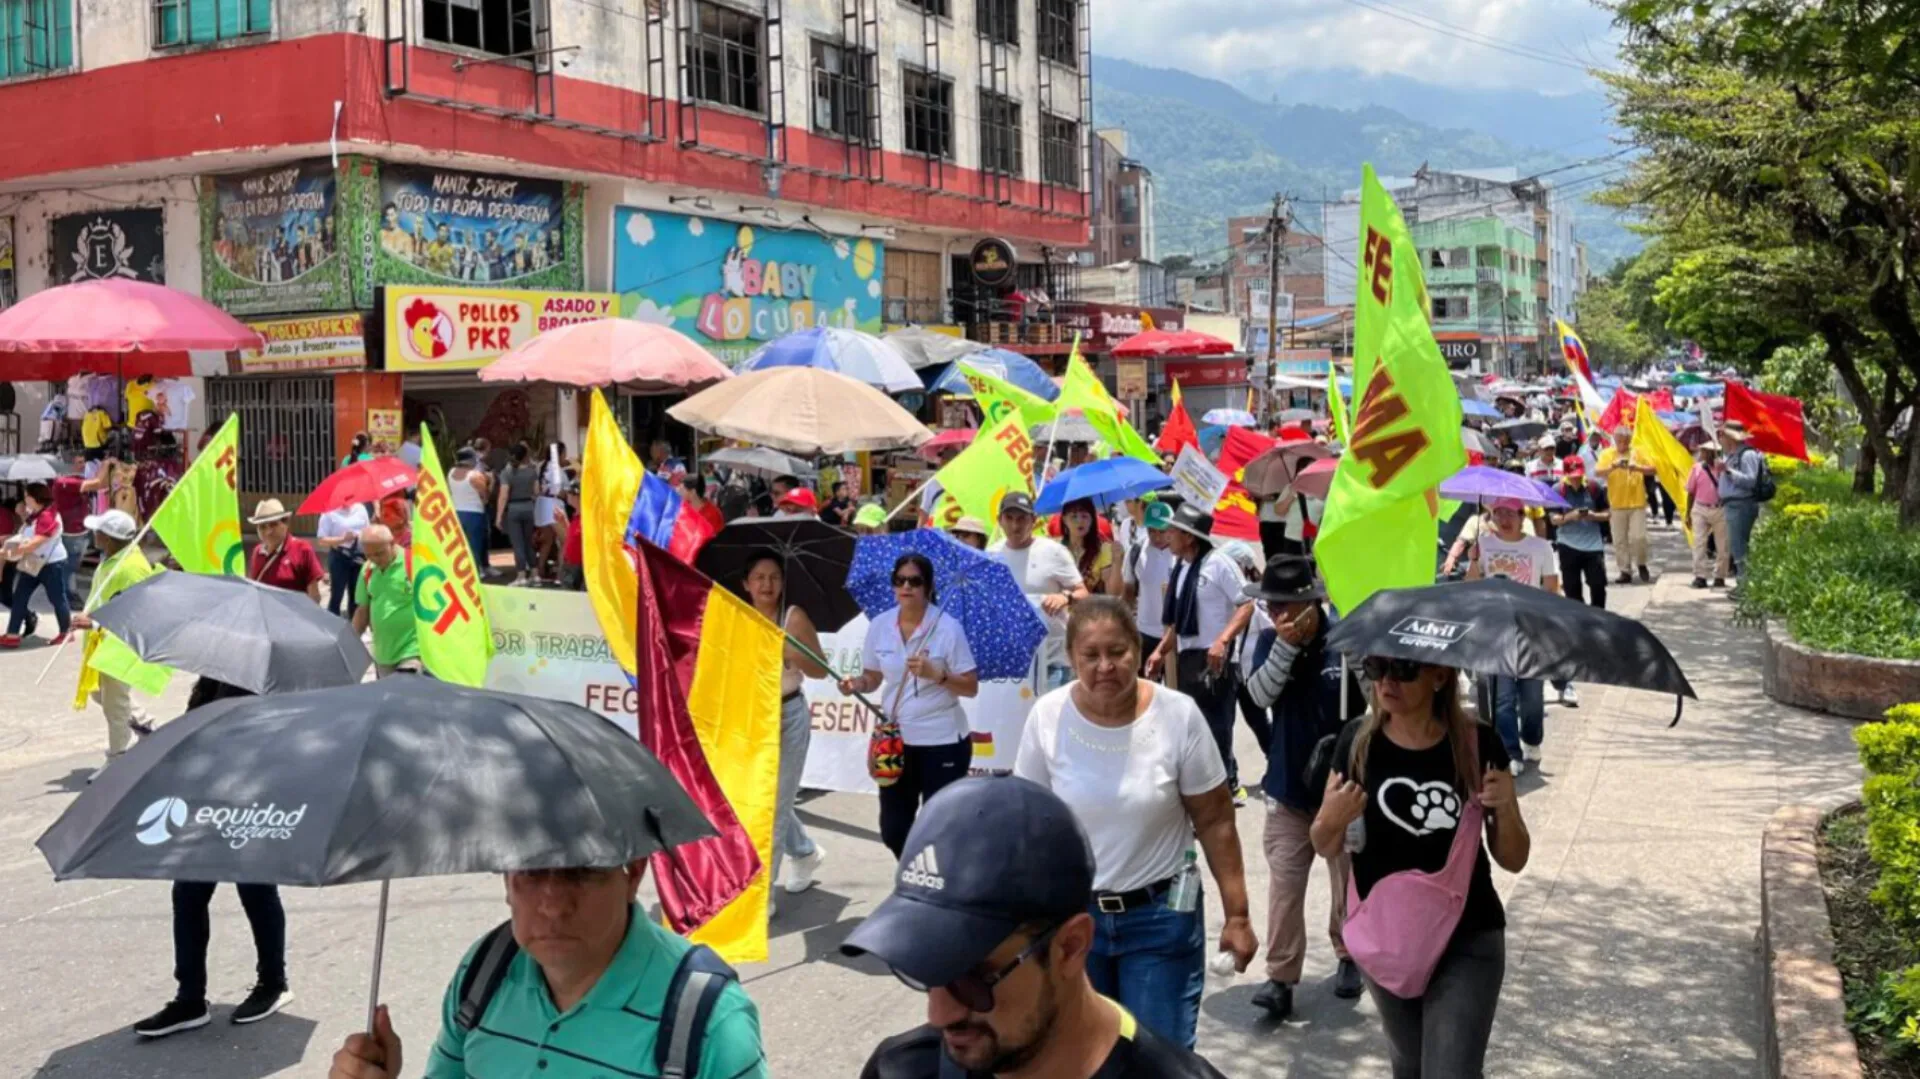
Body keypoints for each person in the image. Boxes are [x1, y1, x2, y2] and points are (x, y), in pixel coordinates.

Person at [849, 776, 1231, 1078]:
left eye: (971, 977)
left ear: (1070, 947)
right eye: (923, 967)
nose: (938, 1013)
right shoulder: (900, 1069)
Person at [1015, 598, 1256, 1048]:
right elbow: (1031, 825)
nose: (1105, 666)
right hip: (1074, 924)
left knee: (1157, 1058)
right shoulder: (1047, 718)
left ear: (1138, 650)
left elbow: (1216, 820)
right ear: (1071, 658)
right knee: (1082, 1056)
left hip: (1161, 920)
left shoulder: (1178, 715)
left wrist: (1237, 915)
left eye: (1118, 652)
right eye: (1091, 655)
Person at [329, 859, 768, 1079]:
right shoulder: (486, 970)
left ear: (633, 873)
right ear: (506, 880)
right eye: (532, 870)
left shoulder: (707, 1022)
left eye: (582, 870)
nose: (554, 904)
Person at [1310, 657, 1530, 1079]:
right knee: (1410, 1068)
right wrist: (1331, 818)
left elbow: (1514, 857)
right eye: (1377, 667)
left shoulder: (1477, 744)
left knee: (1449, 1071)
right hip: (1387, 937)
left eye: (1405, 670)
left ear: (1439, 676)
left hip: (1468, 934)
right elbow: (1324, 843)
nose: (1387, 681)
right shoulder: (1357, 743)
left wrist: (1507, 809)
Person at [1241, 557, 1363, 1019]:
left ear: (1315, 603)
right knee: (1285, 885)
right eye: (1273, 608)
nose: (1280, 617)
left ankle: (1349, 955)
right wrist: (1285, 649)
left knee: (1347, 879)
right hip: (1289, 786)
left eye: (1289, 607)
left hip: (1341, 789)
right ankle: (1280, 977)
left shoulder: (1346, 643)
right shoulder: (1271, 643)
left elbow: (1373, 703)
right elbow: (1258, 695)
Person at [136, 676, 292, 1038]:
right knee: (187, 894)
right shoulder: (214, 676)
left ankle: (274, 982)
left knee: (256, 891)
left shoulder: (269, 678)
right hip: (206, 798)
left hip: (252, 799)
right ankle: (189, 998)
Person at [838, 552, 979, 858]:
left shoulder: (948, 627)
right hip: (896, 743)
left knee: (939, 827)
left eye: (915, 581)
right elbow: (874, 676)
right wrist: (857, 684)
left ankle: (933, 891)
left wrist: (937, 674)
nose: (907, 586)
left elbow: (970, 687)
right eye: (900, 580)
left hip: (942, 742)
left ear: (927, 587)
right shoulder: (880, 625)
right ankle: (916, 873)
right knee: (894, 829)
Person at [1146, 503, 1255, 800]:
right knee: (1192, 728)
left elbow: (1246, 604)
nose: (1167, 536)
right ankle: (1205, 788)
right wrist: (1159, 651)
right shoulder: (1181, 569)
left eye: (1174, 531)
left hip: (1216, 658)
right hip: (1188, 658)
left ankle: (1223, 790)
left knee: (1217, 727)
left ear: (1190, 537)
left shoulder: (1219, 563)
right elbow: (1178, 623)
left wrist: (1223, 639)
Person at [740, 553, 830, 909]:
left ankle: (762, 896)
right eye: (759, 577)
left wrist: (791, 649)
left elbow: (822, 669)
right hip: (750, 717)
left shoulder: (793, 617)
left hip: (788, 714)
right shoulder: (735, 614)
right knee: (760, 798)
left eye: (774, 577)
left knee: (773, 808)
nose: (766, 585)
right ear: (745, 583)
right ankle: (805, 852)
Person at [1466, 497, 1559, 772]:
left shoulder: (1540, 547)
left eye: (1510, 514)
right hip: (1496, 630)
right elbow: (1471, 586)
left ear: (1522, 517)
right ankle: (1510, 752)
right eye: (1498, 514)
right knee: (1502, 697)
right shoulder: (1483, 546)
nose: (1504, 519)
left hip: (1530, 629)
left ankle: (1531, 739)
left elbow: (1551, 587)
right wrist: (1472, 561)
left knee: (1532, 697)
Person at [68, 509, 160, 777]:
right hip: (101, 643)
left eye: (99, 531)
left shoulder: (132, 568)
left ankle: (119, 759)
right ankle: (147, 726)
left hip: (119, 646)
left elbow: (134, 613)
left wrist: (95, 623)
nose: (94, 534)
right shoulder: (111, 558)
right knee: (100, 694)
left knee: (114, 704)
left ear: (108, 538)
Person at [988, 492, 1086, 693]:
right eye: (1009, 518)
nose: (1015, 525)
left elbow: (1083, 593)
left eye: (1022, 518)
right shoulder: (991, 555)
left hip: (1053, 660)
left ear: (1033, 520)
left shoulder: (1054, 552)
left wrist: (1064, 597)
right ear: (999, 521)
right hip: (1012, 662)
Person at [1547, 457, 1610, 708]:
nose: (1575, 478)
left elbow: (1608, 514)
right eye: (1571, 475)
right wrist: (1570, 516)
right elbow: (1552, 520)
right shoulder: (1556, 491)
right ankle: (1579, 631)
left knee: (1598, 586)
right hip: (1568, 546)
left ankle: (1600, 627)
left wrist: (1592, 515)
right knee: (1572, 592)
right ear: (1565, 474)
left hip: (1593, 545)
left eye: (1578, 475)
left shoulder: (1594, 488)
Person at [1, 483, 73, 648]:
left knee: (57, 598)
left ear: (36, 498)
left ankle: (65, 632)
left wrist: (7, 552)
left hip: (51, 564)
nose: (24, 499)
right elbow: (26, 534)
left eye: (27, 496)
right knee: (19, 596)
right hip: (33, 562)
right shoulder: (36, 513)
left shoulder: (47, 516)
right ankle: (12, 634)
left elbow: (35, 542)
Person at [352, 525, 420, 677]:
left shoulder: (414, 564)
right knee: (389, 699)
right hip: (383, 654)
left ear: (392, 542)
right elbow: (362, 611)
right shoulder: (367, 570)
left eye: (380, 553)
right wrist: (351, 641)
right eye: (369, 555)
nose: (375, 559)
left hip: (413, 649)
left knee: (407, 693)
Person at [50, 454, 111, 607]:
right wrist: (106, 464)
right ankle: (65, 595)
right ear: (69, 465)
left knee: (72, 564)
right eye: (79, 463)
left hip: (80, 530)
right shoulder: (65, 482)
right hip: (72, 533)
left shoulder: (73, 480)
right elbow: (97, 484)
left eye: (83, 462)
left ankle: (69, 593)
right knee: (69, 565)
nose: (83, 465)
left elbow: (100, 484)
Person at [1122, 497, 1176, 666]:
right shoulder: (1136, 551)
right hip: (1145, 632)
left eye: (1162, 531)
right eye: (1152, 530)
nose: (1157, 536)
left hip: (1176, 634)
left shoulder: (1182, 554)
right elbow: (1128, 591)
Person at [1597, 426, 1655, 584]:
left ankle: (1641, 563)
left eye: (1626, 441)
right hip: (1616, 503)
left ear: (1630, 441)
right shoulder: (1607, 454)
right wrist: (1613, 466)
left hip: (1637, 502)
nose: (1623, 444)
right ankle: (1625, 570)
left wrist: (1636, 467)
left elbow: (1653, 470)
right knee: (1619, 540)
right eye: (1619, 441)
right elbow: (1598, 473)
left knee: (1639, 537)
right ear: (1614, 440)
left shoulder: (1638, 452)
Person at [246, 499, 325, 603]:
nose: (268, 531)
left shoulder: (303, 550)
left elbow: (314, 596)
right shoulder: (257, 552)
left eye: (273, 524)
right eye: (262, 527)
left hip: (294, 616)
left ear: (285, 523)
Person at [1718, 420, 1765, 576]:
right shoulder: (1731, 456)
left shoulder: (1747, 454)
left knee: (1739, 547)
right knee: (1736, 546)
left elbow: (1750, 481)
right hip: (1732, 505)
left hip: (1741, 505)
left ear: (1730, 438)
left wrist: (1729, 471)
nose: (1720, 439)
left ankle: (1744, 584)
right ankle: (1743, 582)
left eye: (1722, 435)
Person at [495, 442, 540, 585]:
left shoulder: (506, 472)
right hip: (529, 507)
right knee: (528, 542)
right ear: (525, 456)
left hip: (514, 508)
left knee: (517, 543)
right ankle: (535, 574)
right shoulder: (532, 471)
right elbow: (537, 492)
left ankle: (521, 576)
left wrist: (498, 516)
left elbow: (503, 495)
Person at [315, 499, 369, 617]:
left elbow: (367, 529)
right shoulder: (329, 512)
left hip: (358, 556)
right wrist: (343, 539)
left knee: (356, 595)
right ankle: (332, 626)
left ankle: (354, 629)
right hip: (339, 556)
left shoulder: (360, 508)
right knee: (337, 594)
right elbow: (321, 540)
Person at [1688, 443, 1732, 588]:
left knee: (1722, 545)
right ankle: (1700, 575)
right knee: (1699, 542)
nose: (1705, 455)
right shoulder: (1697, 468)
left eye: (1708, 452)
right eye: (1703, 452)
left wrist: (1723, 471)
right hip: (1700, 508)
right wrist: (1688, 513)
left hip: (1719, 509)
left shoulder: (1724, 469)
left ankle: (1720, 575)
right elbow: (1691, 491)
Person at [1060, 498, 1120, 597]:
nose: (1079, 521)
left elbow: (1114, 594)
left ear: (1092, 519)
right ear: (1064, 519)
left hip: (1092, 609)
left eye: (1084, 516)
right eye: (1074, 516)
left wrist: (1117, 562)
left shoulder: (1103, 549)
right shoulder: (1056, 549)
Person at [448, 447, 492, 573]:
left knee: (460, 546)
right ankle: (475, 572)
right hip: (474, 514)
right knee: (474, 545)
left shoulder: (451, 473)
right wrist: (491, 482)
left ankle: (461, 573)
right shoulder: (475, 475)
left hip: (457, 513)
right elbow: (485, 497)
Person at [533, 442, 570, 585]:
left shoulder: (541, 467)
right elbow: (560, 492)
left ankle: (540, 571)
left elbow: (536, 489)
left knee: (547, 541)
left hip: (541, 506)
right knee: (565, 541)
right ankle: (561, 574)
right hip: (554, 507)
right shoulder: (558, 472)